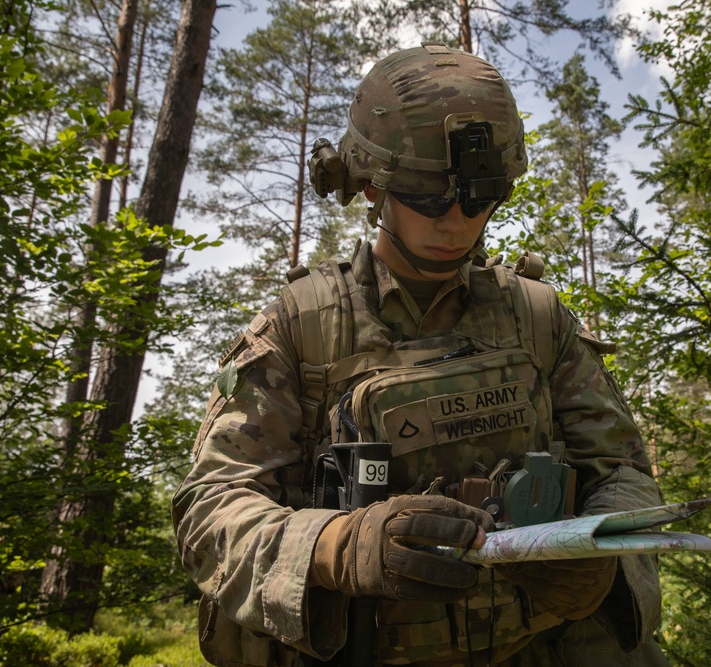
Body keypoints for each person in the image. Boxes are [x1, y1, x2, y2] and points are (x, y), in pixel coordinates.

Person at [172, 43, 668, 667]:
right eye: (430, 197)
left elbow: (623, 473)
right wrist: (333, 548)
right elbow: (210, 510)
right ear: (373, 184)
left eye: (480, 195)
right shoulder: (302, 328)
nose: (458, 221)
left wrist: (607, 565)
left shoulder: (539, 318)